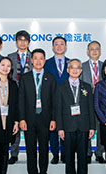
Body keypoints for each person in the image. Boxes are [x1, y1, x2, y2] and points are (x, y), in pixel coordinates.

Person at [18, 48, 56, 174]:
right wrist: (21, 119)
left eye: (41, 58)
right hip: (29, 120)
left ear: (44, 61)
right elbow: (20, 100)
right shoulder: (25, 77)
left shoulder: (50, 78)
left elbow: (54, 101)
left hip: (46, 120)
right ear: (31, 60)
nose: (38, 61)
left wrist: (53, 119)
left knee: (45, 150)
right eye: (36, 58)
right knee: (31, 150)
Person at [56, 59, 95, 174]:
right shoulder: (60, 87)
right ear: (68, 70)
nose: (75, 69)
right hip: (67, 127)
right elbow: (58, 109)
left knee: (83, 157)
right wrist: (60, 128)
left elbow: (91, 108)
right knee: (69, 156)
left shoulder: (87, 87)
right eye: (72, 67)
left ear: (81, 70)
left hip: (83, 126)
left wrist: (92, 127)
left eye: (77, 67)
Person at [7, 30, 33, 165]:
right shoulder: (9, 57)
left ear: (29, 42)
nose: (22, 42)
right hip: (14, 96)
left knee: (30, 125)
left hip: (31, 97)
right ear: (16, 42)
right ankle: (14, 153)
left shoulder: (34, 57)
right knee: (14, 124)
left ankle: (32, 153)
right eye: (20, 40)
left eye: (25, 40)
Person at [44, 36, 69, 164]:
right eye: (56, 44)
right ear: (53, 47)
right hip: (51, 101)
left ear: (66, 47)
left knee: (65, 127)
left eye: (62, 44)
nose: (59, 46)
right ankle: (55, 154)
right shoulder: (46, 63)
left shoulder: (72, 63)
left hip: (67, 102)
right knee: (52, 129)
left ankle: (65, 153)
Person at [80, 40, 105, 164]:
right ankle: (88, 152)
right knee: (87, 127)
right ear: (87, 51)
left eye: (97, 49)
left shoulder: (105, 66)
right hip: (86, 102)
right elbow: (79, 86)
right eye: (92, 49)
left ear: (100, 51)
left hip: (102, 103)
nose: (94, 51)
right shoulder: (82, 66)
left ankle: (99, 152)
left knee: (101, 128)